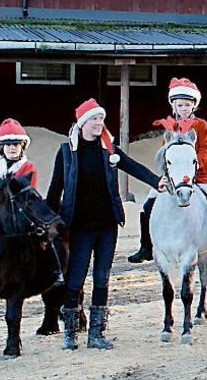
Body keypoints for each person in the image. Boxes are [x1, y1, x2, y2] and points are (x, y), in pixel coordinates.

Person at [46, 99, 164, 350]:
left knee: (102, 278)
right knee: (75, 279)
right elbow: (55, 189)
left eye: (101, 119)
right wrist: (49, 222)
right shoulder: (67, 151)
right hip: (78, 226)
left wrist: (156, 182)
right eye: (94, 119)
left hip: (107, 225)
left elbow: (132, 167)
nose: (100, 123)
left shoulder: (109, 150)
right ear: (83, 123)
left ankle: (96, 334)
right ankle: (70, 333)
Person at [127, 77, 207, 265]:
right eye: (180, 105)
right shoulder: (170, 126)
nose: (184, 108)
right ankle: (146, 246)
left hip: (200, 175)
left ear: (194, 106)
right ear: (173, 106)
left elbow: (205, 149)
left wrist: (195, 165)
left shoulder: (201, 125)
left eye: (187, 105)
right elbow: (164, 151)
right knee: (148, 204)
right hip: (173, 176)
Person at [0, 118, 62, 297]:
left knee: (43, 239)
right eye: (8, 145)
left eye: (16, 144)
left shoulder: (28, 167)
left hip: (22, 214)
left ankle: (54, 272)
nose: (12, 148)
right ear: (1, 147)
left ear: (23, 146)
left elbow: (28, 193)